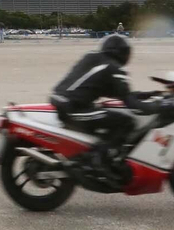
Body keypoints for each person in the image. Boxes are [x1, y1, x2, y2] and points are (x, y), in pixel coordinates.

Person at [50, 34, 158, 175]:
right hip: (74, 109)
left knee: (107, 114)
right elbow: (132, 104)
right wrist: (160, 106)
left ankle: (94, 153)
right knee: (126, 121)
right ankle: (100, 160)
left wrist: (148, 94)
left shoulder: (92, 58)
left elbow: (119, 93)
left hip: (61, 101)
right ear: (122, 53)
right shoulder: (114, 68)